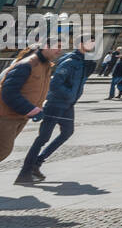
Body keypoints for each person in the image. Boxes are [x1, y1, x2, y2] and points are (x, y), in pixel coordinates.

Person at [15, 33, 92, 184]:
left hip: (68, 104)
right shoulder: (70, 61)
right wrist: (69, 94)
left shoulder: (82, 61)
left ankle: (37, 162)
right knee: (43, 138)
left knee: (67, 132)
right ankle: (25, 172)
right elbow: (56, 83)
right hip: (57, 103)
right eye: (90, 42)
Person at [1, 42, 60, 171]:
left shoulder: (45, 66)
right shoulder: (26, 64)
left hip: (19, 116)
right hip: (5, 115)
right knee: (3, 149)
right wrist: (30, 109)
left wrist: (37, 107)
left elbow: (34, 90)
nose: (60, 51)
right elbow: (9, 92)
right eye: (57, 46)